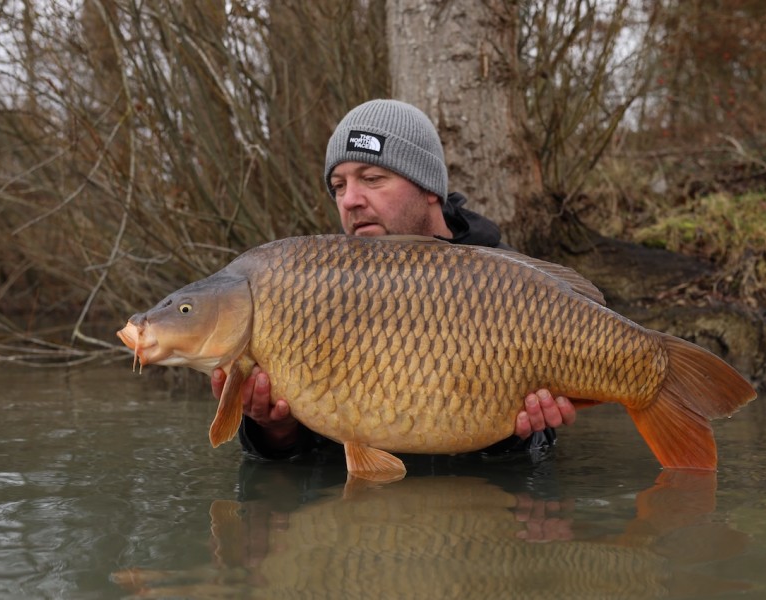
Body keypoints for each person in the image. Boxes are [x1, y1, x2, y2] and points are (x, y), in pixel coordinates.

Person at [212, 99, 577, 460]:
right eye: (338, 186)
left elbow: (539, 447)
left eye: (372, 179)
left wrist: (513, 436)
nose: (350, 200)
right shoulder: (317, 286)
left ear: (428, 187)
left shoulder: (513, 284)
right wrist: (275, 430)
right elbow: (312, 450)